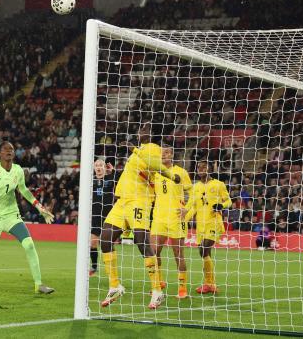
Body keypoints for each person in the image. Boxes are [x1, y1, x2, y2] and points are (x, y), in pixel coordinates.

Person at [99, 124, 181, 310]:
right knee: (105, 239)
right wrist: (116, 173)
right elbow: (135, 174)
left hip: (140, 200)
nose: (141, 131)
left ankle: (157, 291)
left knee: (141, 240)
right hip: (123, 201)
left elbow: (155, 166)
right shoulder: (137, 153)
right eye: (141, 129)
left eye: (145, 129)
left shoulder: (152, 148)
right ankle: (115, 286)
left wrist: (134, 149)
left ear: (151, 134)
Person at [0, 141, 55, 295]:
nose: (9, 151)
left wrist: (40, 208)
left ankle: (38, 284)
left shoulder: (18, 171)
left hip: (11, 215)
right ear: (0, 153)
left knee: (29, 245)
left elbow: (24, 191)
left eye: (12, 149)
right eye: (6, 149)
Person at [149, 147, 193, 299]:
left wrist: (186, 209)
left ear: (172, 155)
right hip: (159, 217)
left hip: (176, 218)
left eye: (167, 153)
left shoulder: (181, 172)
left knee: (178, 254)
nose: (164, 155)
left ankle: (182, 289)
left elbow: (192, 193)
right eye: (161, 153)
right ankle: (158, 283)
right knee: (153, 252)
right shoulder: (154, 172)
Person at [185, 160, 232, 294]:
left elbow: (229, 200)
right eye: (199, 167)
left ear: (210, 169)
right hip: (201, 225)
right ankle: (209, 284)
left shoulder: (218, 184)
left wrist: (221, 206)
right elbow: (193, 206)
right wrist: (184, 219)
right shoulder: (196, 187)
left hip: (214, 222)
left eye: (204, 166)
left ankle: (209, 284)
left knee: (204, 249)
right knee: (204, 253)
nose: (201, 169)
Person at [89, 158, 114, 276]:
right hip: (95, 216)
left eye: (101, 165)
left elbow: (121, 180)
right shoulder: (90, 181)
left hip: (108, 216)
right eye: (96, 165)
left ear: (105, 167)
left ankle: (111, 270)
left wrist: (113, 171)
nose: (98, 167)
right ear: (94, 168)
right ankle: (94, 267)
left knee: (107, 243)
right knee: (93, 243)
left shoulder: (110, 180)